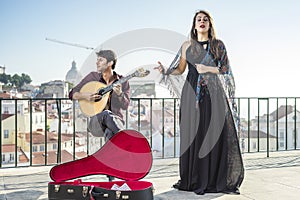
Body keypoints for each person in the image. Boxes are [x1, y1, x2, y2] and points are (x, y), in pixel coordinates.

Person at [155, 10, 244, 195]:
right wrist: (165, 70)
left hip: (214, 95)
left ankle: (213, 179)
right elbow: (179, 70)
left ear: (210, 24)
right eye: (198, 20)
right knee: (193, 135)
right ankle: (193, 178)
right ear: (194, 25)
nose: (202, 22)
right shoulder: (187, 45)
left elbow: (225, 68)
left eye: (205, 20)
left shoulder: (218, 45)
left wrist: (208, 68)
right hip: (191, 96)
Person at [69, 49, 130, 180]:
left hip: (115, 123)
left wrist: (119, 94)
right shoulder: (92, 77)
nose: (97, 62)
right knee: (107, 114)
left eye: (100, 60)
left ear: (110, 63)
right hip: (95, 124)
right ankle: (125, 141)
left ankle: (111, 175)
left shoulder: (123, 81)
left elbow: (125, 105)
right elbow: (72, 93)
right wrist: (85, 96)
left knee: (110, 133)